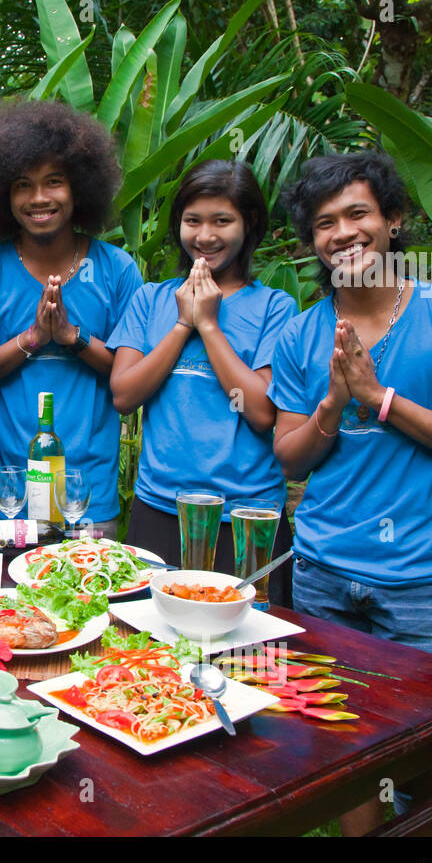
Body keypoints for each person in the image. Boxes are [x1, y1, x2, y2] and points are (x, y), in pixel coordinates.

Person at [270, 152, 432, 831]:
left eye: (358, 213)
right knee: (344, 747)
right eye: (325, 223)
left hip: (417, 580)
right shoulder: (300, 332)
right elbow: (291, 460)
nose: (343, 233)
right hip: (322, 572)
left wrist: (379, 398)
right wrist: (331, 404)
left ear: (394, 221)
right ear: (312, 241)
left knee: (428, 756)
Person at [109, 161, 297, 603]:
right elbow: (124, 394)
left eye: (222, 221)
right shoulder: (151, 299)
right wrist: (181, 325)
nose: (205, 236)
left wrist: (209, 326)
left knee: (245, 652)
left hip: (246, 515)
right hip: (160, 506)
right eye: (193, 221)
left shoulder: (275, 307)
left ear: (248, 225)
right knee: (151, 646)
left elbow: (261, 412)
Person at [0, 99, 141, 536]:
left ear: (79, 188)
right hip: (5, 497)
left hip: (86, 498)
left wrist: (72, 337)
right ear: (3, 194)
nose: (39, 198)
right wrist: (33, 338)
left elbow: (133, 380)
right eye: (23, 185)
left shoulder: (117, 270)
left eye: (53, 182)